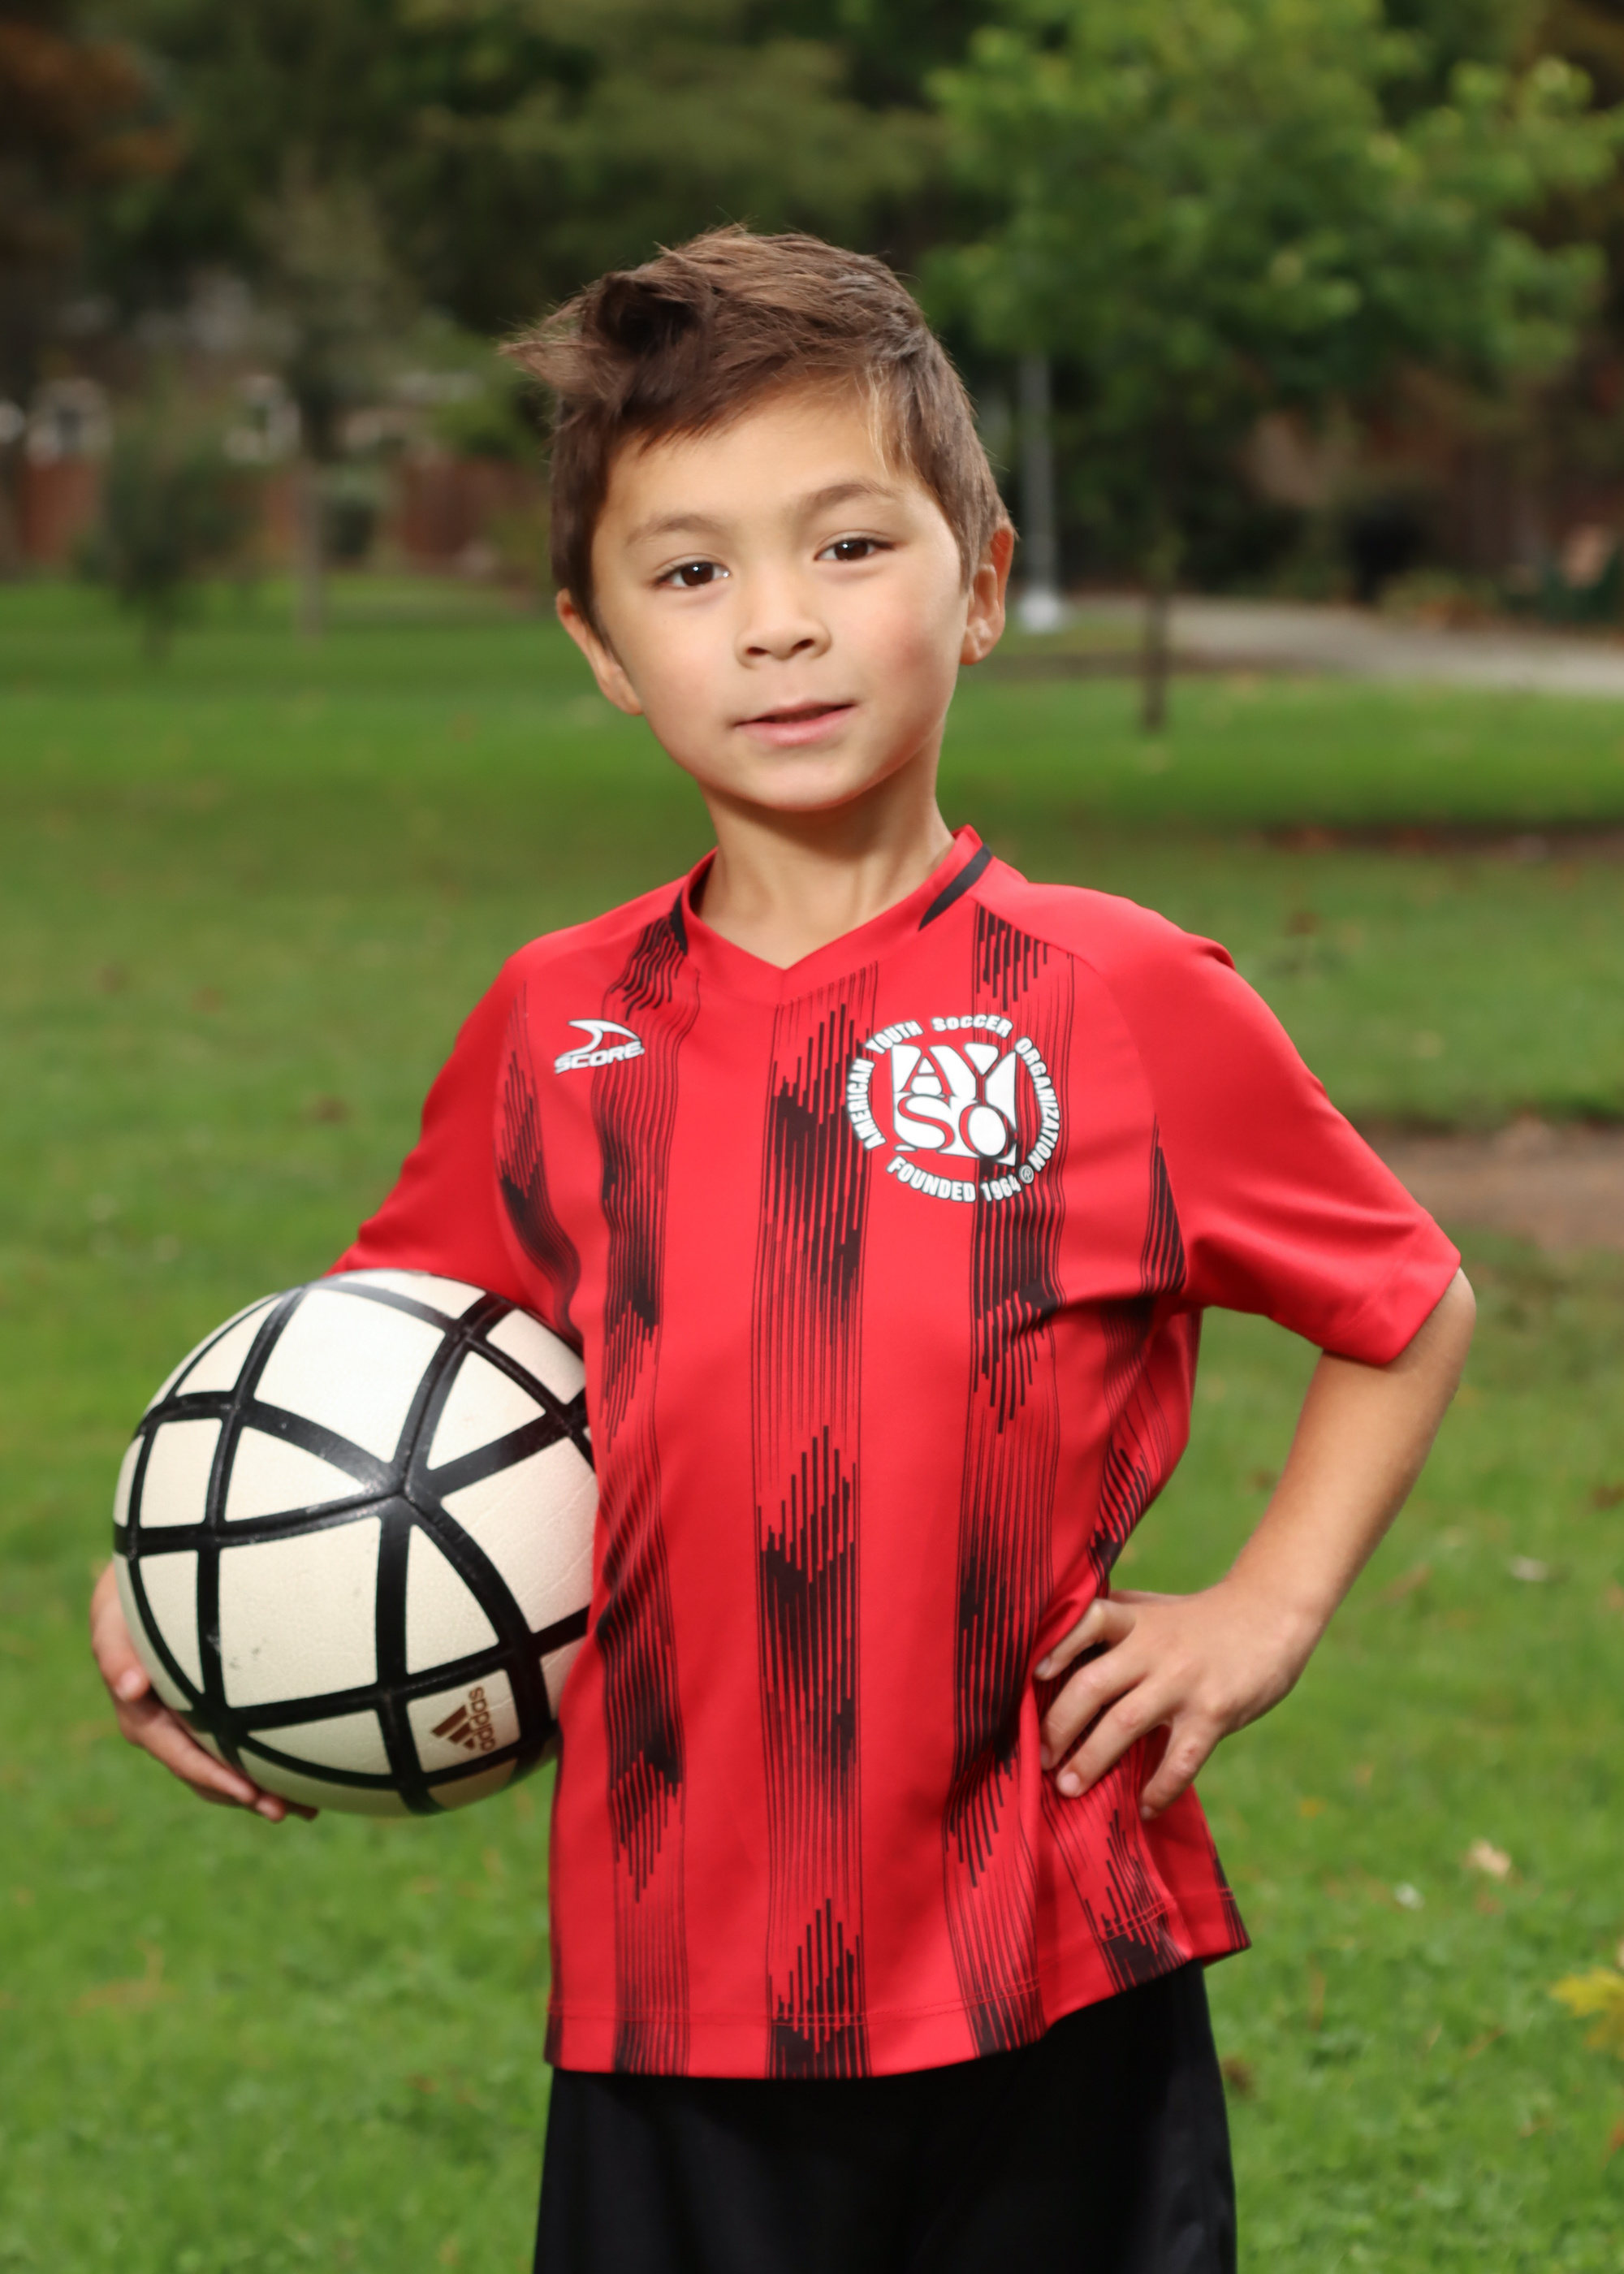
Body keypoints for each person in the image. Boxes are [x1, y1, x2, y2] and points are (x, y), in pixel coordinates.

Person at [91, 227, 1475, 2273]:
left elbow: (1404, 1300)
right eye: (690, 572)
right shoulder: (555, 1026)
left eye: (846, 545)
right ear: (598, 647)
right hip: (672, 1989)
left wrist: (1263, 1608)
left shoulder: (1116, 1001)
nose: (777, 625)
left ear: (979, 582)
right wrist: (199, 1573)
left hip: (1049, 1960)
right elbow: (380, 1362)